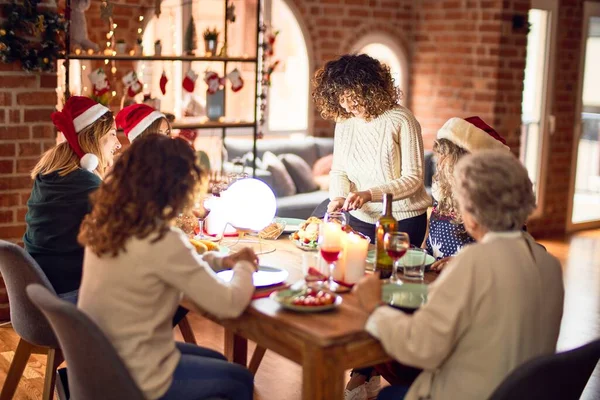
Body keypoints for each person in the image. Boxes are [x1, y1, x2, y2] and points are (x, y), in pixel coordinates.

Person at [353, 150, 564, 400]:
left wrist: (373, 306)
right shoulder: (549, 264)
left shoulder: (474, 262)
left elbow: (420, 346)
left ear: (472, 214)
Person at [77, 134, 256, 400]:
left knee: (219, 361)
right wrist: (244, 266)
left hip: (101, 362)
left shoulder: (109, 224)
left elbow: (167, 264)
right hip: (138, 376)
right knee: (240, 379)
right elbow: (229, 304)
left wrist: (221, 261)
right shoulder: (161, 238)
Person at [311, 54, 430, 246]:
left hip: (402, 220)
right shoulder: (344, 122)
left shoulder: (401, 120)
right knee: (358, 272)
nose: (347, 105)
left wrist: (369, 194)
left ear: (371, 90)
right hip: (361, 217)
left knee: (391, 274)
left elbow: (413, 179)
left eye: (352, 97)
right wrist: (339, 198)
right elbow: (339, 170)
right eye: (341, 98)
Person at [24, 96, 121, 298]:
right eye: (113, 134)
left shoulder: (48, 174)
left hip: (42, 292)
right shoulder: (87, 185)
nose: (118, 144)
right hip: (73, 297)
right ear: (94, 139)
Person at [425, 116, 509, 271]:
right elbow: (429, 243)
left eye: (446, 155)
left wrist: (463, 264)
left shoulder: (494, 206)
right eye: (439, 155)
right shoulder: (443, 195)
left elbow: (506, 259)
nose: (439, 162)